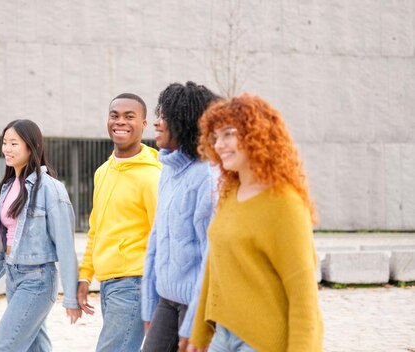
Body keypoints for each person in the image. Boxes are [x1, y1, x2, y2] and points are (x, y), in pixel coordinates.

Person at [185, 94, 324, 352]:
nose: (219, 145)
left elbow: (303, 294)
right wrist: (200, 333)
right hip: (223, 335)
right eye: (215, 137)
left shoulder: (285, 203)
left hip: (263, 342)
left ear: (257, 135)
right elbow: (214, 267)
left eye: (229, 134)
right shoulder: (230, 192)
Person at [0, 119, 81, 352]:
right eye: (4, 143)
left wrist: (71, 298)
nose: (6, 149)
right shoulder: (9, 187)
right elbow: (2, 241)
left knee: (2, 347)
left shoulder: (50, 189)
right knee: (36, 348)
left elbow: (65, 245)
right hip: (14, 277)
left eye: (14, 143)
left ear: (31, 147)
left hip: (38, 280)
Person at [77, 93, 162, 351]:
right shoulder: (103, 172)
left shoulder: (152, 175)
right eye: (115, 115)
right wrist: (85, 276)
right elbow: (97, 229)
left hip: (134, 283)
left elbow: (162, 235)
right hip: (109, 284)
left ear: (144, 124)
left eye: (129, 116)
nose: (120, 122)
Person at [141, 82, 219, 352]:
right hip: (166, 301)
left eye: (164, 117)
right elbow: (156, 241)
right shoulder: (168, 171)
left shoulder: (206, 176)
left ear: (185, 122)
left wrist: (192, 327)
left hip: (194, 305)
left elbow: (211, 257)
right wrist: (148, 307)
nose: (157, 123)